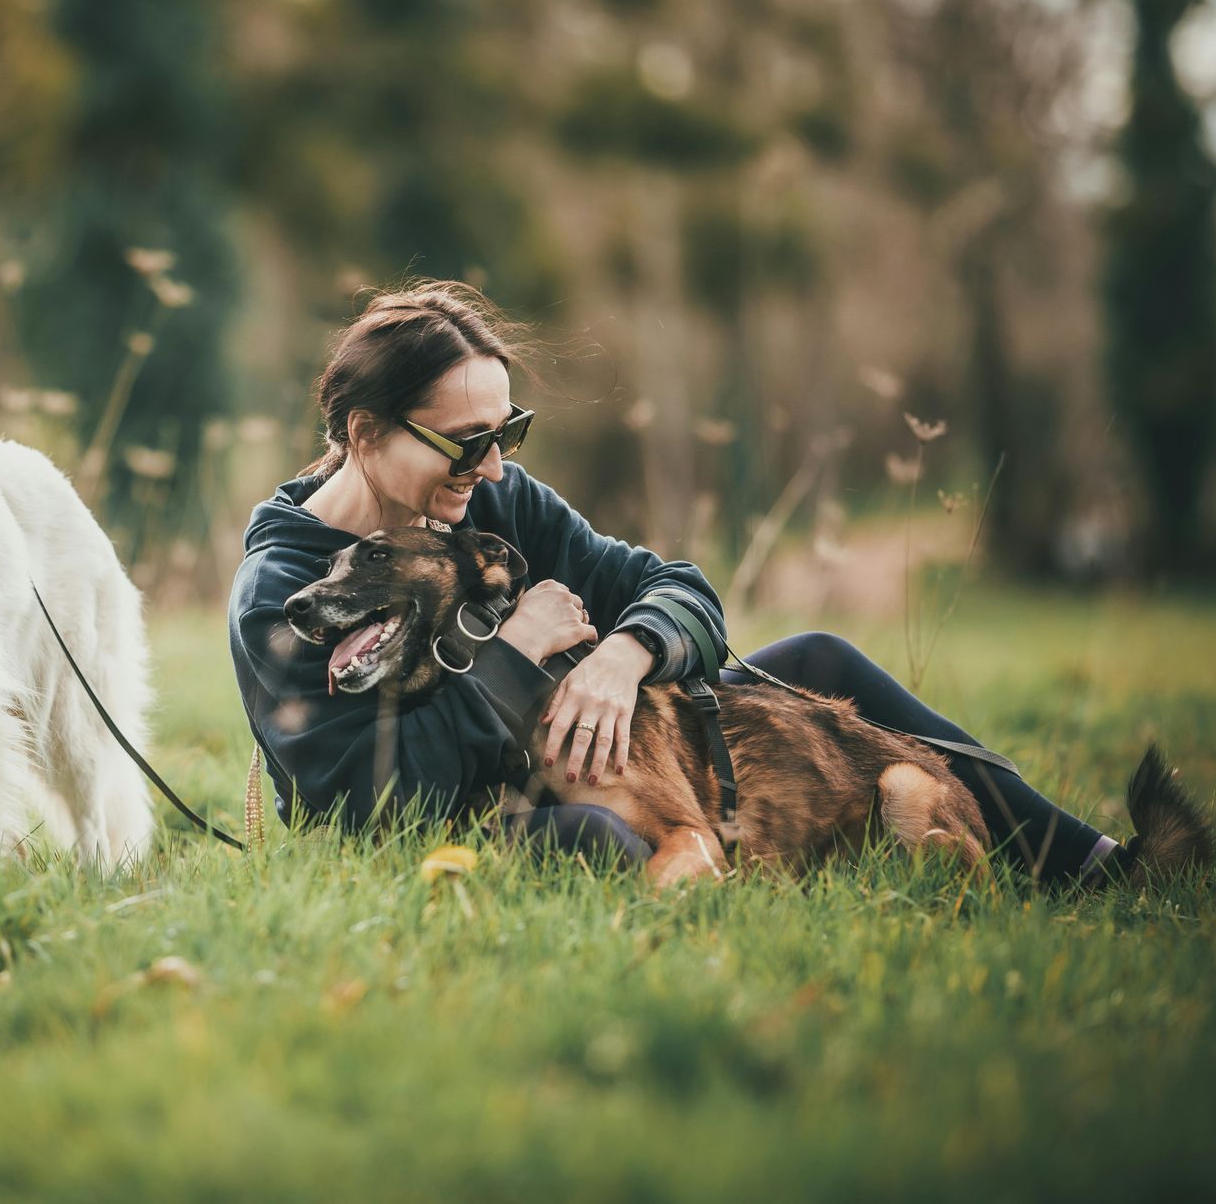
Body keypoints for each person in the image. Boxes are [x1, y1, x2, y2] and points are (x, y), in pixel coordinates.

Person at [227, 281, 1130, 885]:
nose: (494, 467)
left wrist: (625, 654)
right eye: (464, 442)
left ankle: (1087, 865)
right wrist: (508, 658)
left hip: (590, 763)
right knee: (599, 840)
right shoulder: (287, 589)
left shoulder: (498, 503)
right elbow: (371, 799)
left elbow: (679, 589)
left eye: (509, 432)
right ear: (363, 430)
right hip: (473, 810)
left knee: (819, 656)